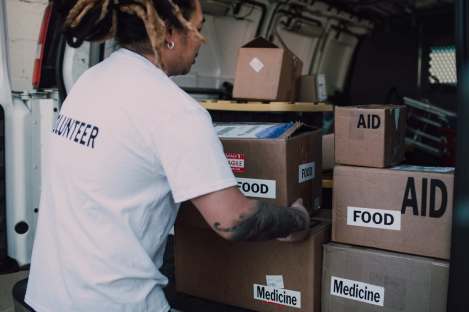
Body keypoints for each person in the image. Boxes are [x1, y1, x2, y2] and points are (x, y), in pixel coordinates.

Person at [24, 0, 310, 311]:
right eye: (198, 29)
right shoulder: (176, 110)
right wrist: (296, 219)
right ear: (169, 33)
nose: (203, 40)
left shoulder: (89, 81)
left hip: (47, 297)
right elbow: (233, 220)